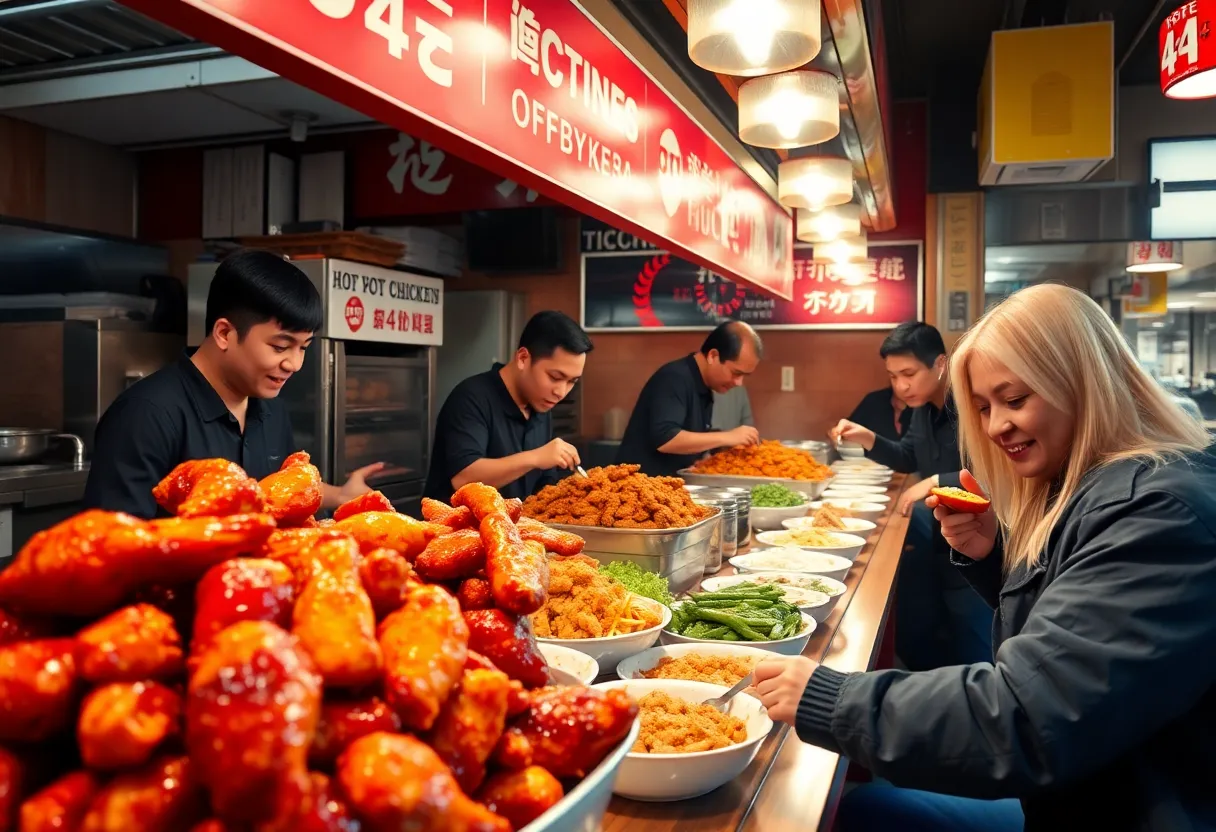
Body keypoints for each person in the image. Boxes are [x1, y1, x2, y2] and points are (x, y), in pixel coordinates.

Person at [753, 284, 1216, 831]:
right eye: (982, 408)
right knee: (865, 806)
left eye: (1015, 399)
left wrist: (828, 697)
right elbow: (1081, 634)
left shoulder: (1160, 515)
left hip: (1134, 806)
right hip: (1081, 789)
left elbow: (1026, 717)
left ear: (1083, 380)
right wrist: (997, 557)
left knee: (858, 815)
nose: (996, 427)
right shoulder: (1093, 483)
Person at [84, 249, 383, 518]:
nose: (294, 364)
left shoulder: (271, 409)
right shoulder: (145, 416)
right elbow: (113, 546)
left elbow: (278, 489)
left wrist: (341, 496)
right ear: (225, 333)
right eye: (280, 347)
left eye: (303, 347)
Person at [831, 321, 990, 670]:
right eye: (892, 376)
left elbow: (995, 474)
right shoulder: (922, 409)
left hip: (980, 542)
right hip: (943, 537)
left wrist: (935, 480)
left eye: (909, 373)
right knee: (927, 628)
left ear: (940, 364)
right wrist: (866, 437)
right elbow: (907, 456)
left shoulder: (974, 405)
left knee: (977, 645)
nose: (901, 386)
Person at [424, 310, 592, 502]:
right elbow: (464, 479)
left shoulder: (541, 404)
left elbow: (543, 483)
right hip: (457, 528)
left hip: (512, 529)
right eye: (555, 377)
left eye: (572, 382)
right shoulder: (471, 397)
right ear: (522, 358)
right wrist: (535, 457)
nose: (561, 392)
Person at [616, 321, 762, 476]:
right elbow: (665, 439)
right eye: (736, 373)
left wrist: (698, 463)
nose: (739, 383)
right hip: (637, 489)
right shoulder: (674, 378)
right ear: (713, 356)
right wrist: (728, 437)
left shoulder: (705, 387)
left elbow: (685, 444)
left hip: (668, 489)